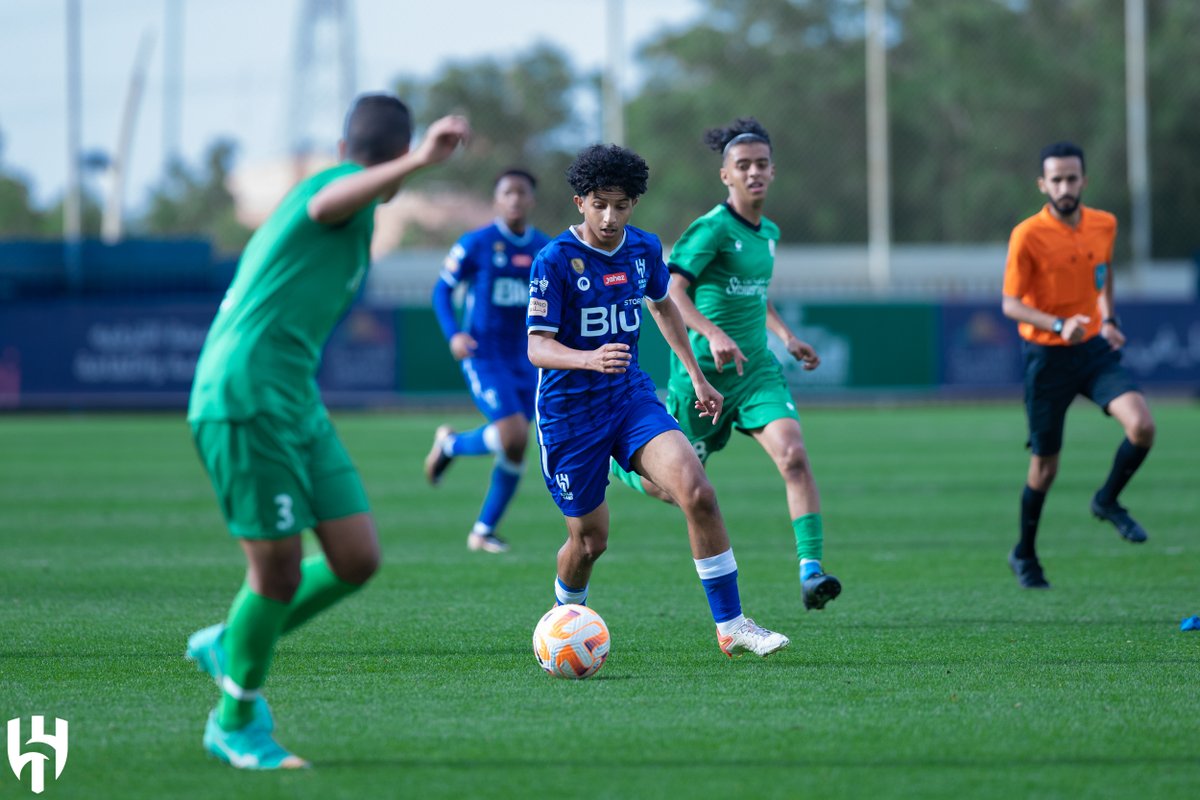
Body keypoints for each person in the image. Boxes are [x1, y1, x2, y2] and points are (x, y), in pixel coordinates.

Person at [185, 94, 469, 768]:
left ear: (348, 145)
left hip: (294, 400)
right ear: (390, 158)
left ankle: (232, 640)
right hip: (243, 394)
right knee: (276, 574)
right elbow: (325, 203)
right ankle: (236, 720)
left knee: (355, 559)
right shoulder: (329, 191)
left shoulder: (360, 205)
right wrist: (422, 159)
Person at [527, 142, 790, 658]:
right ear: (580, 202)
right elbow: (537, 347)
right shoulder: (554, 260)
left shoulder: (642, 248)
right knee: (588, 543)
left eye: (621, 205)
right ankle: (562, 626)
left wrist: (695, 376)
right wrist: (588, 359)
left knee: (697, 490)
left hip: (629, 398)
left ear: (634, 205)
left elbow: (663, 304)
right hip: (568, 415)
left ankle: (732, 624)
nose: (610, 216)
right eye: (600, 204)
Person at [609, 118, 842, 612]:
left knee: (794, 456)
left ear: (772, 171)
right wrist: (712, 334)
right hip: (702, 379)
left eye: (761, 164)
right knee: (673, 489)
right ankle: (625, 464)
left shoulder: (769, 233)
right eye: (743, 165)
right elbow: (672, 292)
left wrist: (787, 337)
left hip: (755, 371)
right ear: (726, 176)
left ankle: (810, 570)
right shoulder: (711, 229)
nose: (753, 172)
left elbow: (756, 296)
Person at [1001, 140, 1156, 589]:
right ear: (1042, 184)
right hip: (1046, 358)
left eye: (1072, 178)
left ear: (1084, 180)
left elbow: (1102, 275)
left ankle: (1107, 500)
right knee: (1046, 468)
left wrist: (1108, 318)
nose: (1065, 186)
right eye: (1057, 179)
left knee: (1142, 426)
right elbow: (1010, 304)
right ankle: (1025, 553)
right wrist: (1055, 322)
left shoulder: (1104, 224)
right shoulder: (1027, 234)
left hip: (1092, 349)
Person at [424, 169, 551, 554]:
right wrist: (454, 334)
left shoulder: (545, 249)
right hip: (484, 356)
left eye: (521, 192)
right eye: (507, 192)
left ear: (531, 200)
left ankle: (483, 530)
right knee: (514, 435)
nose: (514, 199)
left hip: (528, 359)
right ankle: (450, 446)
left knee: (515, 448)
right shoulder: (476, 244)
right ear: (497, 199)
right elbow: (441, 291)